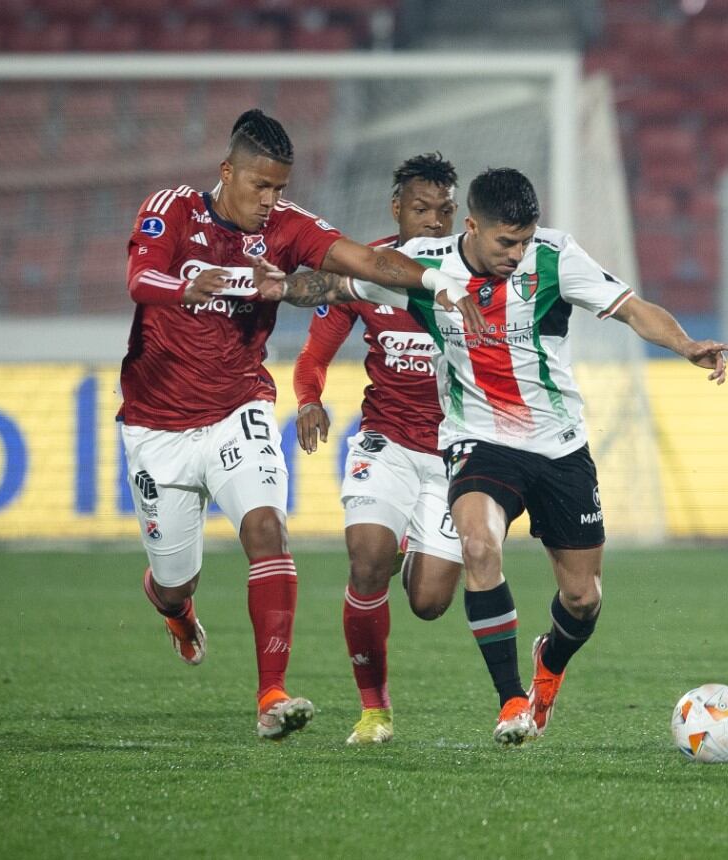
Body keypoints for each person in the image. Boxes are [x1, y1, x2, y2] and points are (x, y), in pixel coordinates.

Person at [260, 167, 728, 745]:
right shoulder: (423, 264)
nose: (518, 253)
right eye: (506, 242)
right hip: (478, 440)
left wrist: (685, 345)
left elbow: (633, 308)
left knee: (582, 599)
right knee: (480, 545)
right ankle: (511, 703)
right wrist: (276, 284)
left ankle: (548, 664)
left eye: (525, 241)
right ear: (474, 227)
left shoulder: (555, 256)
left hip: (560, 446)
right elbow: (333, 286)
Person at [119, 110, 480, 741]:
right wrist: (194, 284)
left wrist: (433, 282)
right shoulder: (173, 209)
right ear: (227, 172)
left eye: (280, 188)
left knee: (268, 529)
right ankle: (174, 608)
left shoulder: (289, 228)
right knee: (177, 578)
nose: (271, 200)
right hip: (157, 423)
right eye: (260, 187)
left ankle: (272, 695)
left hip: (240, 408)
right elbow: (139, 280)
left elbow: (360, 265)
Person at [291, 152, 464, 746]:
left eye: (445, 211)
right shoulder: (366, 271)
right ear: (397, 210)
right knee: (366, 561)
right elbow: (313, 355)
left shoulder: (473, 278)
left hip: (454, 456)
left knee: (429, 603)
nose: (435, 222)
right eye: (422, 209)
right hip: (384, 441)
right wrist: (309, 399)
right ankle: (374, 711)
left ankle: (413, 540)